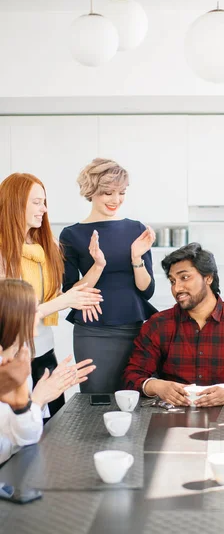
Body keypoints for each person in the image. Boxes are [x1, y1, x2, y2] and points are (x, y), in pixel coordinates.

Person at [123, 243, 224, 406]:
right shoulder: (158, 325)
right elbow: (131, 376)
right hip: (169, 415)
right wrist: (157, 386)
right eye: (172, 281)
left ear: (208, 277)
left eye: (184, 277)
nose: (177, 288)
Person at [0, 173, 102, 417]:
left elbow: (64, 294)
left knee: (52, 427)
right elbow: (9, 312)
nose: (44, 209)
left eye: (44, 202)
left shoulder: (48, 245)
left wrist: (98, 265)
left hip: (44, 351)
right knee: (18, 431)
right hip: (11, 359)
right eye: (36, 202)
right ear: (15, 202)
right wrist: (63, 301)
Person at [60, 158, 157, 394]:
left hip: (134, 327)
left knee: (135, 397)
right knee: (96, 399)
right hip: (93, 331)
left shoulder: (136, 229)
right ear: (91, 191)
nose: (116, 200)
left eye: (121, 192)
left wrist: (136, 258)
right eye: (107, 193)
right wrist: (98, 265)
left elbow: (147, 290)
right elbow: (71, 292)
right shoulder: (71, 235)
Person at [0, 279, 95, 465]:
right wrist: (37, 400)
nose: (40, 315)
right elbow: (15, 440)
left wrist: (38, 399)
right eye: (35, 310)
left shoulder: (20, 358)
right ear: (16, 316)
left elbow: (27, 434)